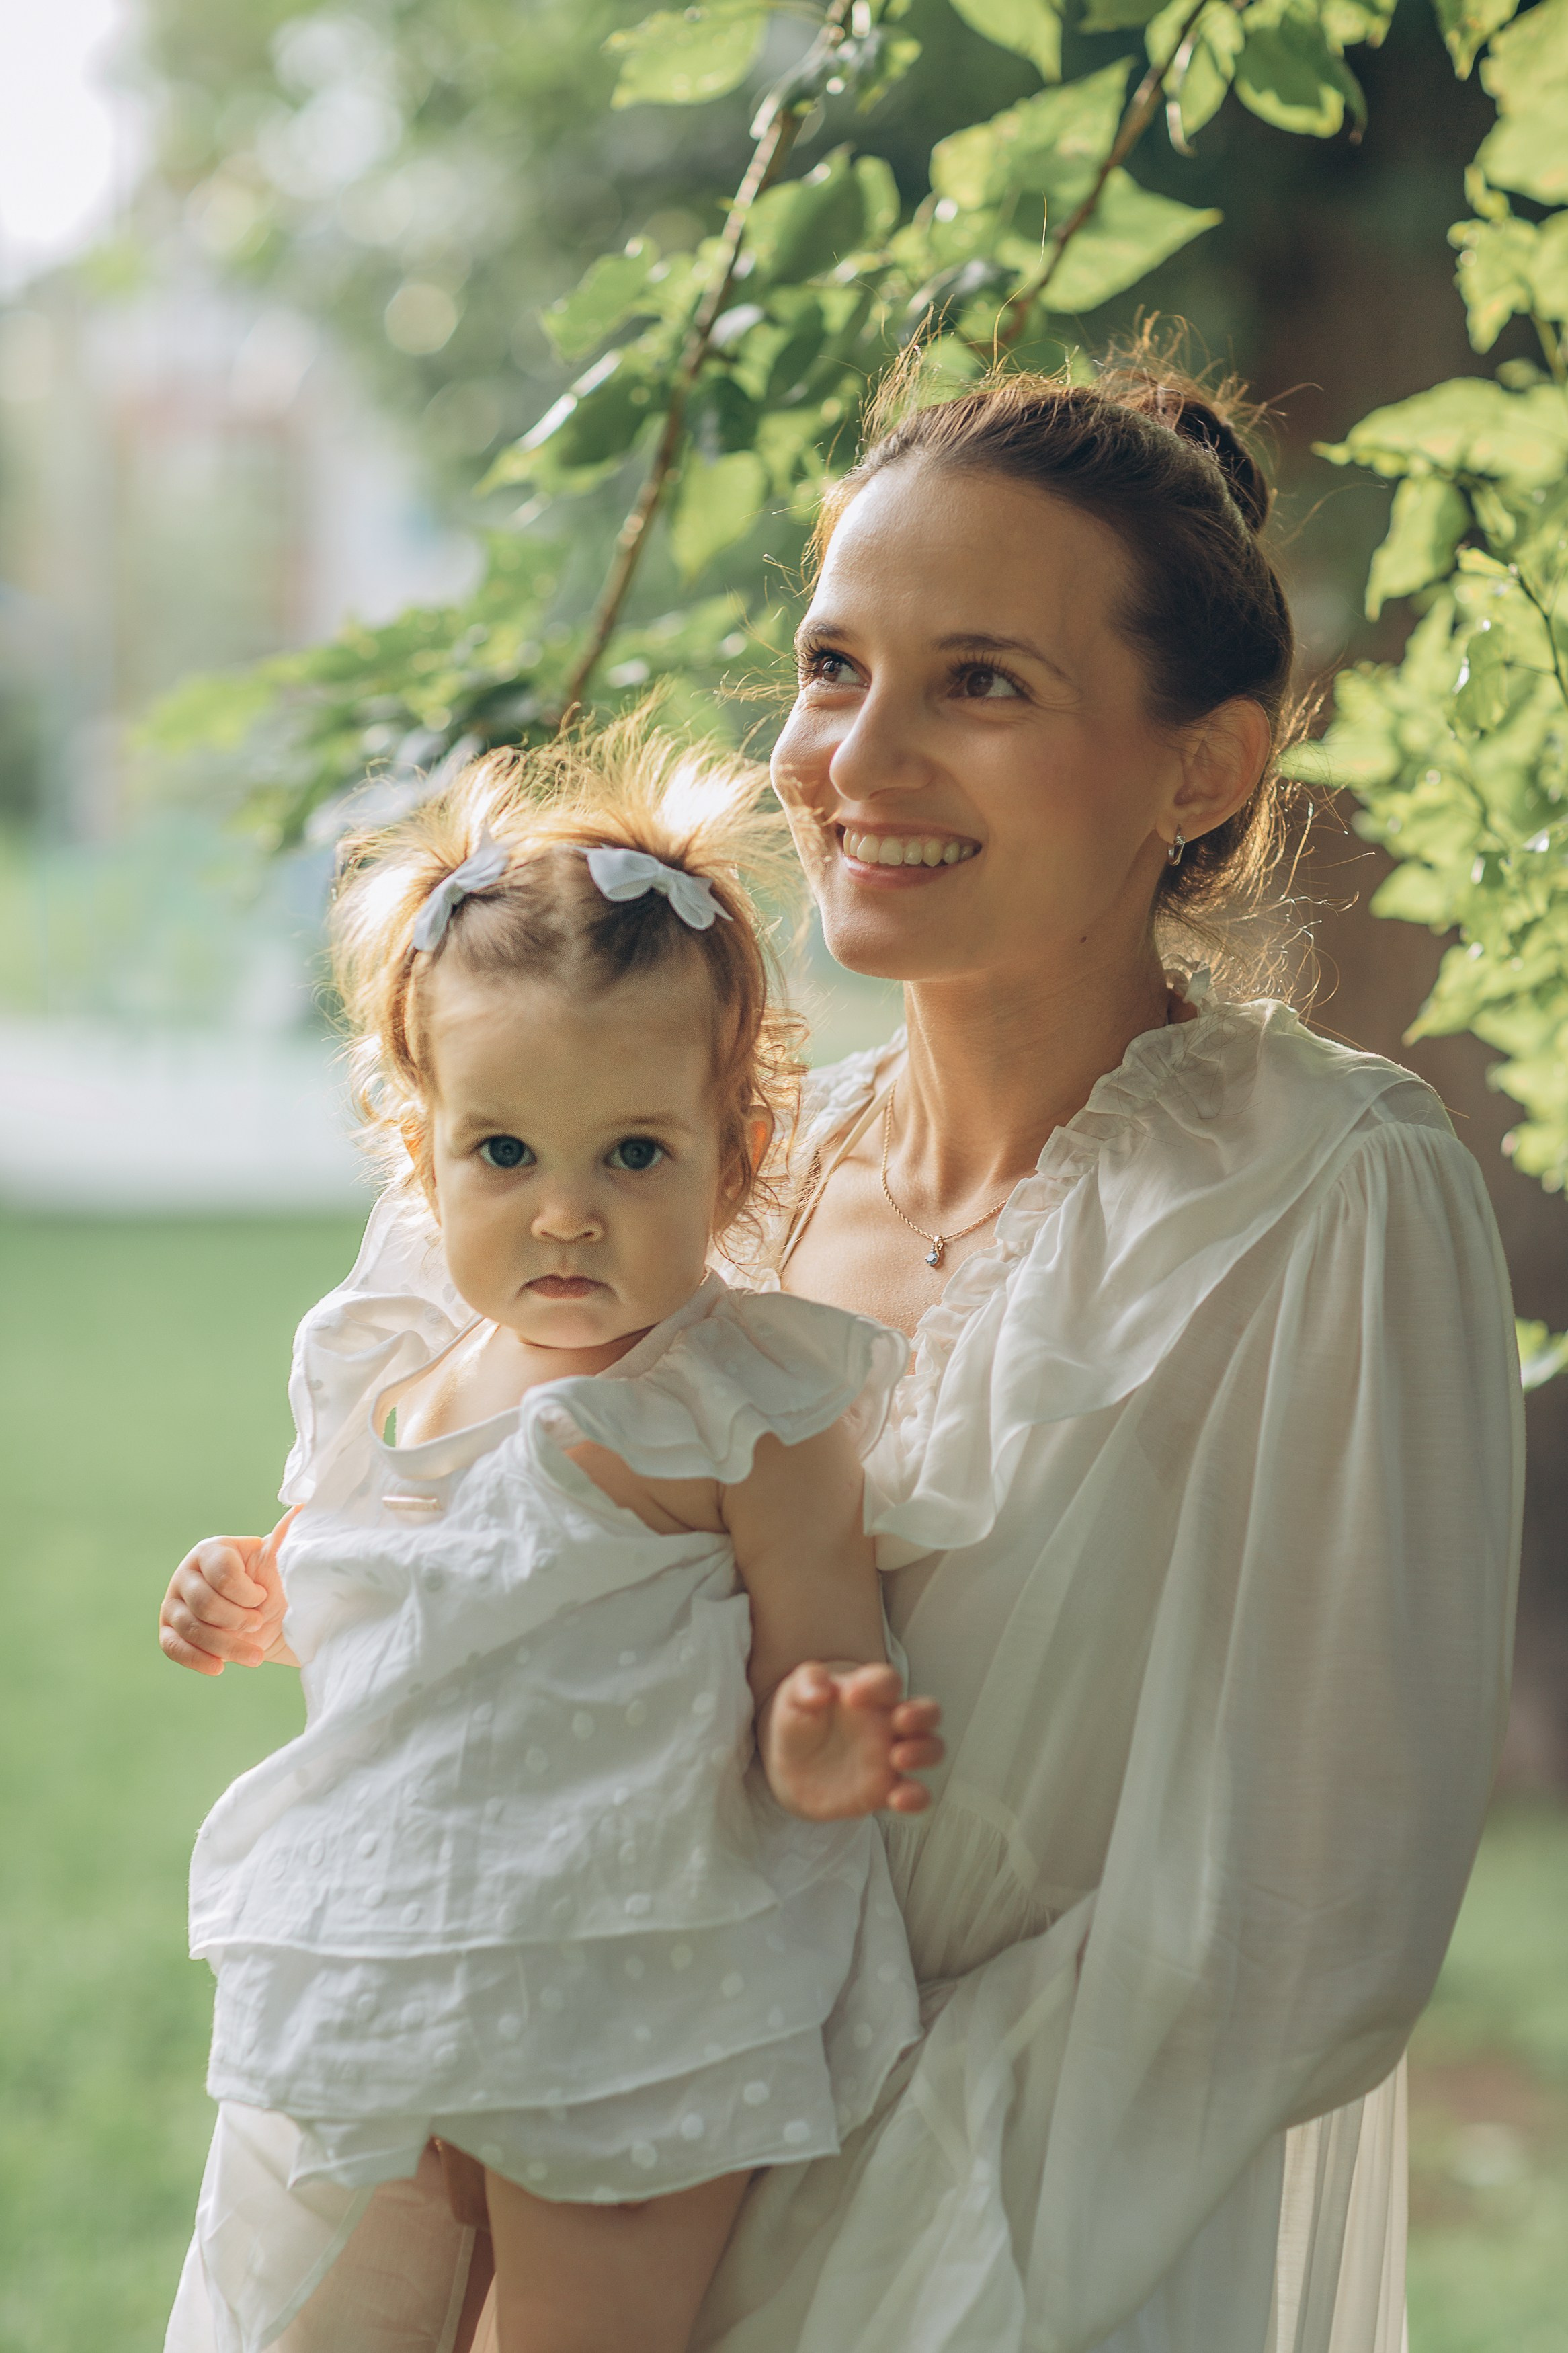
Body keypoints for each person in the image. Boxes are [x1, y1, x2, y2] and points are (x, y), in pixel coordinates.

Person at [163, 354, 1522, 2353]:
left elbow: (1282, 1931)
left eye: (980, 682)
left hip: (998, 2254)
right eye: (827, 666)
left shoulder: (1318, 1195)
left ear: (1203, 768)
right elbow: (431, 1736)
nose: (851, 760)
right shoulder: (682, 1186)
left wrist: (817, 2265)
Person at [158, 722, 943, 2353]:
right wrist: (261, 1586)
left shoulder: (741, 1406)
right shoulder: (413, 1372)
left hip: (630, 1978)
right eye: (504, 1154)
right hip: (399, 1941)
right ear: (418, 1149)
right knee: (333, 2314)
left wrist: (820, 1735)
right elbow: (403, 1594)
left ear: (738, 1154)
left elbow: (819, 1643)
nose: (566, 1211)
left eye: (633, 1154)